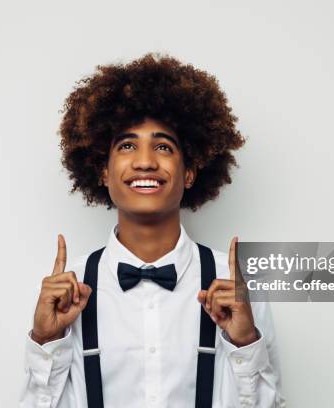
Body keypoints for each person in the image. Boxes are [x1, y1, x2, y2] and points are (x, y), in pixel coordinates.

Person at [19, 53, 285, 407]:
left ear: (190, 172)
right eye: (127, 145)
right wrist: (45, 339)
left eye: (163, 146)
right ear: (103, 171)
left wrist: (245, 343)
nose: (145, 161)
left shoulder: (234, 285)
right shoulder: (65, 292)